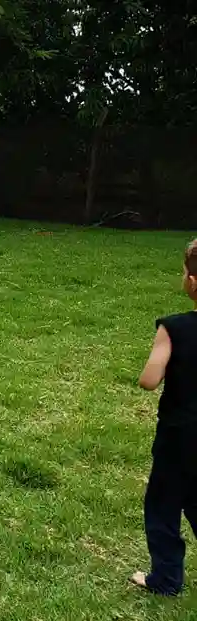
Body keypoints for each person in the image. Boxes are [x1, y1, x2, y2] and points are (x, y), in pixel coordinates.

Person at [131, 239, 197, 596]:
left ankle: (166, 578)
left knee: (163, 504)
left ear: (192, 282)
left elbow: (149, 380)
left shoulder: (174, 328)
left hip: (179, 437)